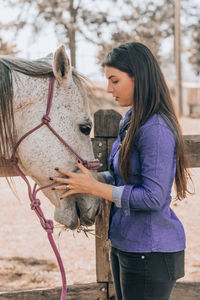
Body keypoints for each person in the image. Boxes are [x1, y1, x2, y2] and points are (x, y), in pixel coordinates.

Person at [51, 42, 191, 300]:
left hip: (150, 251)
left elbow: (152, 197)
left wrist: (95, 187)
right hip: (125, 245)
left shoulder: (156, 129)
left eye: (114, 80)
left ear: (139, 77)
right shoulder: (132, 119)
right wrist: (84, 180)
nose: (108, 88)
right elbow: (120, 177)